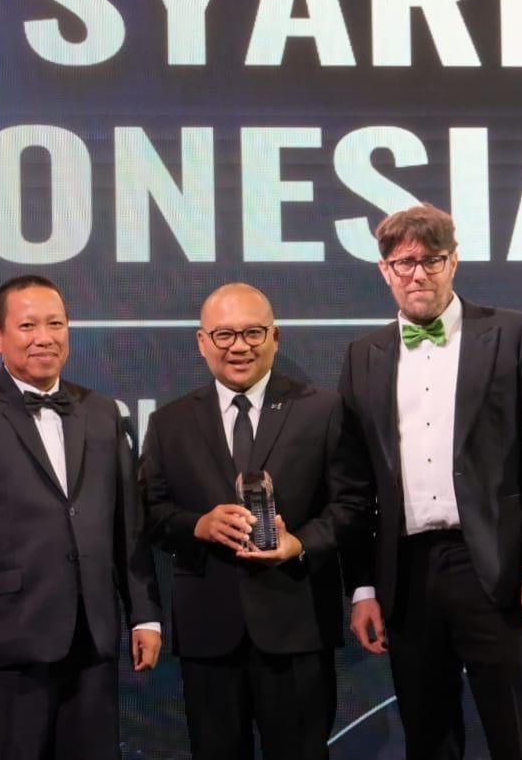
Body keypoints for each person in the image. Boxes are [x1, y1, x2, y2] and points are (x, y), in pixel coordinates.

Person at [337, 203, 522, 759]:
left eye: (432, 260)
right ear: (384, 271)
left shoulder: (515, 334)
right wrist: (364, 588)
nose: (417, 274)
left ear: (454, 262)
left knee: (521, 737)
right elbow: (353, 485)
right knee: (428, 741)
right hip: (407, 576)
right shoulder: (362, 356)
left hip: (500, 569)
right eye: (404, 263)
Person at [0, 275, 162, 760]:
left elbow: (127, 524)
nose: (44, 338)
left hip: (92, 636)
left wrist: (145, 615)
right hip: (4, 639)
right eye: (28, 326)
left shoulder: (102, 412)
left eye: (56, 324)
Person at [140, 282, 360, 760]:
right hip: (208, 632)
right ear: (202, 342)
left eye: (252, 332)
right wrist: (197, 526)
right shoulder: (169, 423)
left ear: (275, 337)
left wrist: (299, 543)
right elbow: (150, 513)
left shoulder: (322, 410)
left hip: (297, 625)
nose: (238, 346)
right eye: (224, 335)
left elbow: (351, 506)